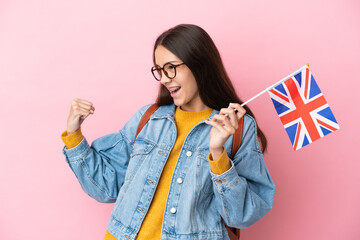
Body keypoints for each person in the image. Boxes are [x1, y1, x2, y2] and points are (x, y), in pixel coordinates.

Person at [61, 24, 275, 240]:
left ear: (199, 65)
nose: (164, 78)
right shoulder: (149, 118)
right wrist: (74, 135)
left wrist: (218, 154)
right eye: (160, 70)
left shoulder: (238, 127)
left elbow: (241, 215)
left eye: (171, 67)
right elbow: (106, 187)